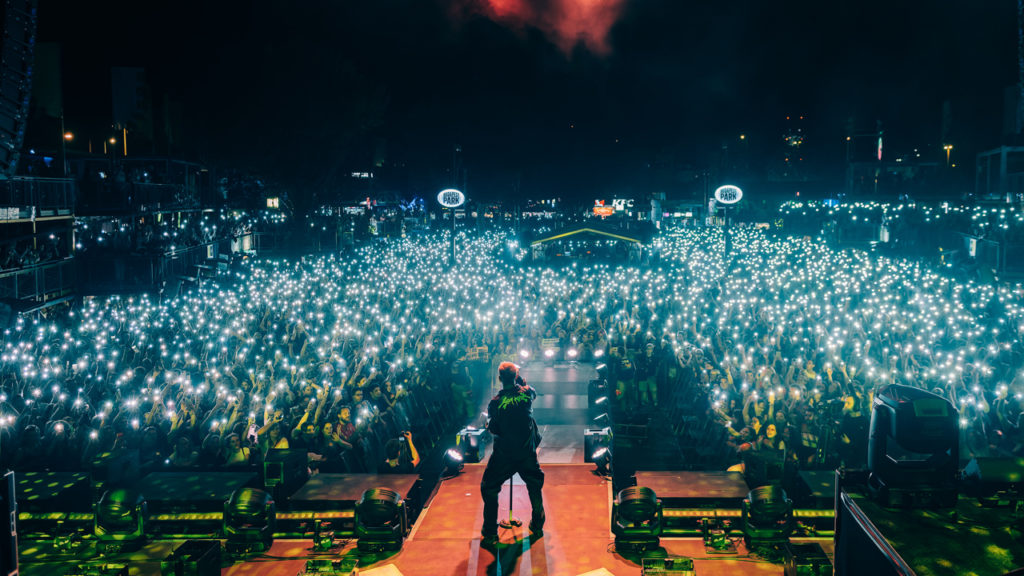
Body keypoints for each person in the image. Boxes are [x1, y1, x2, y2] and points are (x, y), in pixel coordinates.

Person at [480, 362, 545, 543]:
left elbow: (494, 428)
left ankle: (491, 531)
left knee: (489, 487)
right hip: (526, 452)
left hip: (504, 455)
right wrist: (522, 382)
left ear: (499, 379)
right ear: (515, 376)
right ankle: (538, 523)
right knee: (534, 485)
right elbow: (533, 391)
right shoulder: (527, 394)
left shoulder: (495, 403)